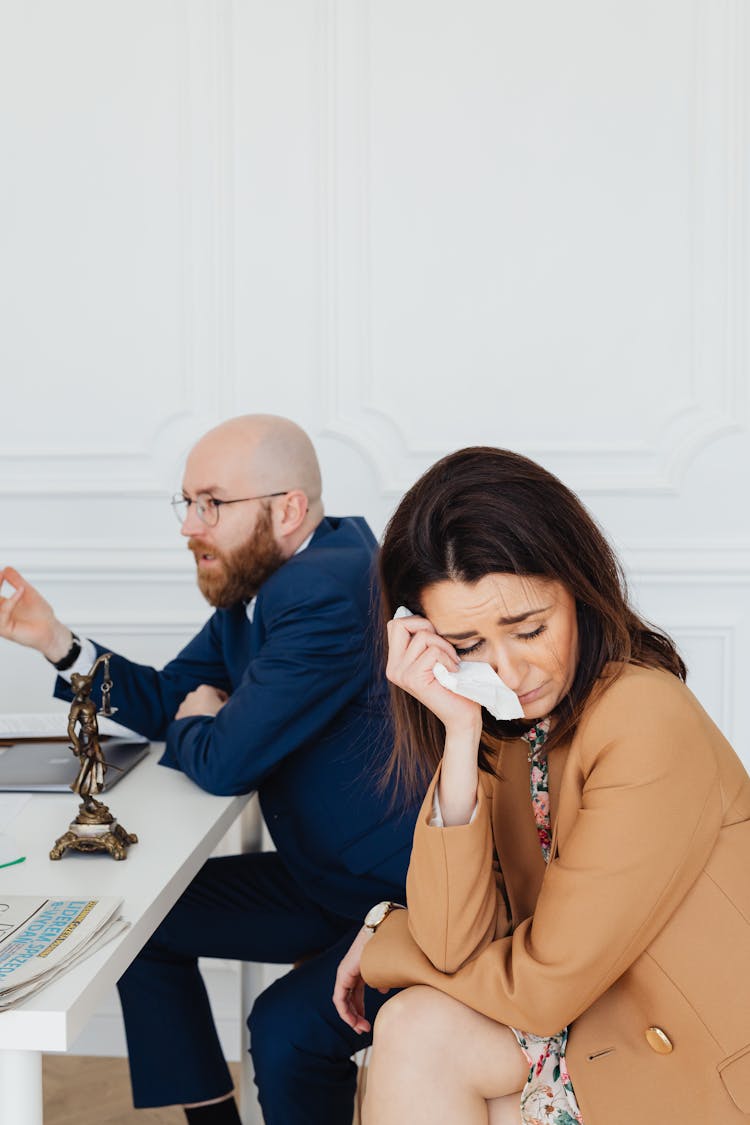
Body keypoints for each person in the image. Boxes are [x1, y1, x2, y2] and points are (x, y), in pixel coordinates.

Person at [0, 414, 418, 1125]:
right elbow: (171, 696)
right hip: (324, 877)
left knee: (283, 1030)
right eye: (187, 503)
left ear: (288, 509)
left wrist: (199, 721)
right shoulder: (259, 583)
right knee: (141, 925)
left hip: (402, 902)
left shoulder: (325, 590)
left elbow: (223, 759)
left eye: (212, 504)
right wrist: (59, 643)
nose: (190, 525)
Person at [333, 446, 750, 1125]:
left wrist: (386, 937)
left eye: (529, 628)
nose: (508, 669)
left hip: (692, 1058)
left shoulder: (646, 715)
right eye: (465, 645)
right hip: (602, 1031)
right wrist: (460, 737)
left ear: (580, 589)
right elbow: (455, 946)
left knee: (415, 1032)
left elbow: (541, 988)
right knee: (414, 1027)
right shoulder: (506, 725)